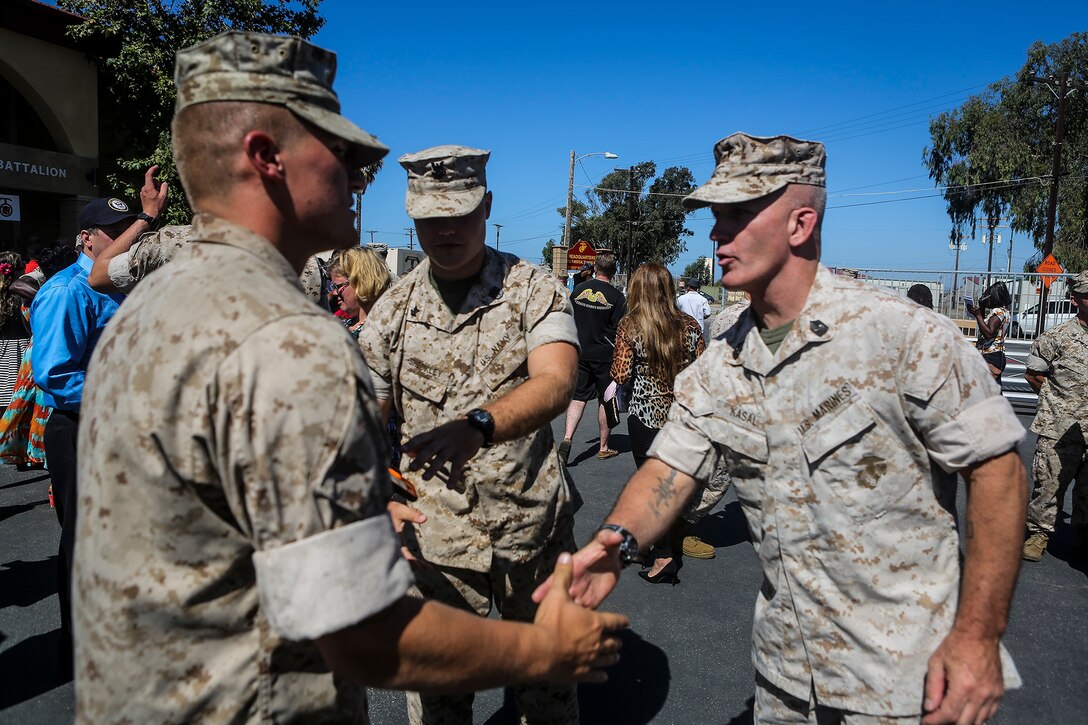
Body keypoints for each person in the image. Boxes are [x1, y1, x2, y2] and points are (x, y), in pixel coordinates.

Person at [73, 33, 625, 724]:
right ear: (266, 158)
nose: (359, 176)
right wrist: (544, 653)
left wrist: (367, 496)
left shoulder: (150, 307)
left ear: (486, 207)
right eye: (340, 151)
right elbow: (366, 635)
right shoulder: (292, 341)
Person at [536, 132, 1028, 724]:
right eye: (716, 217)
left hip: (907, 683)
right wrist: (615, 541)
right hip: (786, 678)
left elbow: (997, 469)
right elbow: (669, 468)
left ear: (799, 224)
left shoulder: (903, 335)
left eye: (738, 216)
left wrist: (977, 636)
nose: (717, 235)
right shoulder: (722, 356)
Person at [358, 144, 584, 725]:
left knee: (548, 692)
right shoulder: (391, 311)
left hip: (530, 528)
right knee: (439, 701)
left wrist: (479, 425)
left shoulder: (534, 289)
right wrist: (373, 491)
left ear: (486, 207)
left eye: (459, 213)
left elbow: (557, 381)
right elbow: (368, 420)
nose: (447, 230)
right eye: (431, 218)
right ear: (412, 217)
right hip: (436, 544)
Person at [31, 185, 163, 673]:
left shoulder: (123, 284)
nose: (125, 239)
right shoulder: (68, 289)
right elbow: (55, 372)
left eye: (130, 229)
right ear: (86, 238)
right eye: (114, 232)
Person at [609, 263, 704, 583]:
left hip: (646, 417)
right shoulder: (690, 325)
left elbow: (620, 374)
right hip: (682, 418)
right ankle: (653, 543)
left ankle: (663, 555)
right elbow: (703, 373)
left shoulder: (631, 325)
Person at [1021, 271, 1088, 562]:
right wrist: (1056, 402)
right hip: (1059, 427)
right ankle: (1039, 534)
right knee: (1049, 484)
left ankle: (1083, 536)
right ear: (1075, 300)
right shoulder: (1056, 337)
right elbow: (1033, 373)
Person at [560, 250, 626, 463]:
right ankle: (603, 447)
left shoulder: (579, 289)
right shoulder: (617, 297)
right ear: (614, 272)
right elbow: (620, 329)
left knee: (578, 398)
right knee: (605, 399)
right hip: (605, 356)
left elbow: (568, 317)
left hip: (580, 352)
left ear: (595, 269)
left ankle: (568, 438)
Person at [328, 246, 393, 338]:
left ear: (361, 282)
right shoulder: (343, 326)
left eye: (338, 286)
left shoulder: (382, 331)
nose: (335, 292)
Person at [968, 281, 1012, 383]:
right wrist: (980, 310)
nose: (984, 299)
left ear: (994, 297)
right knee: (994, 390)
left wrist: (978, 316)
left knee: (984, 391)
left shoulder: (998, 312)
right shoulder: (1004, 311)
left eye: (986, 297)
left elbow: (989, 333)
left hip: (990, 356)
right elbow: (986, 327)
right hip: (995, 356)